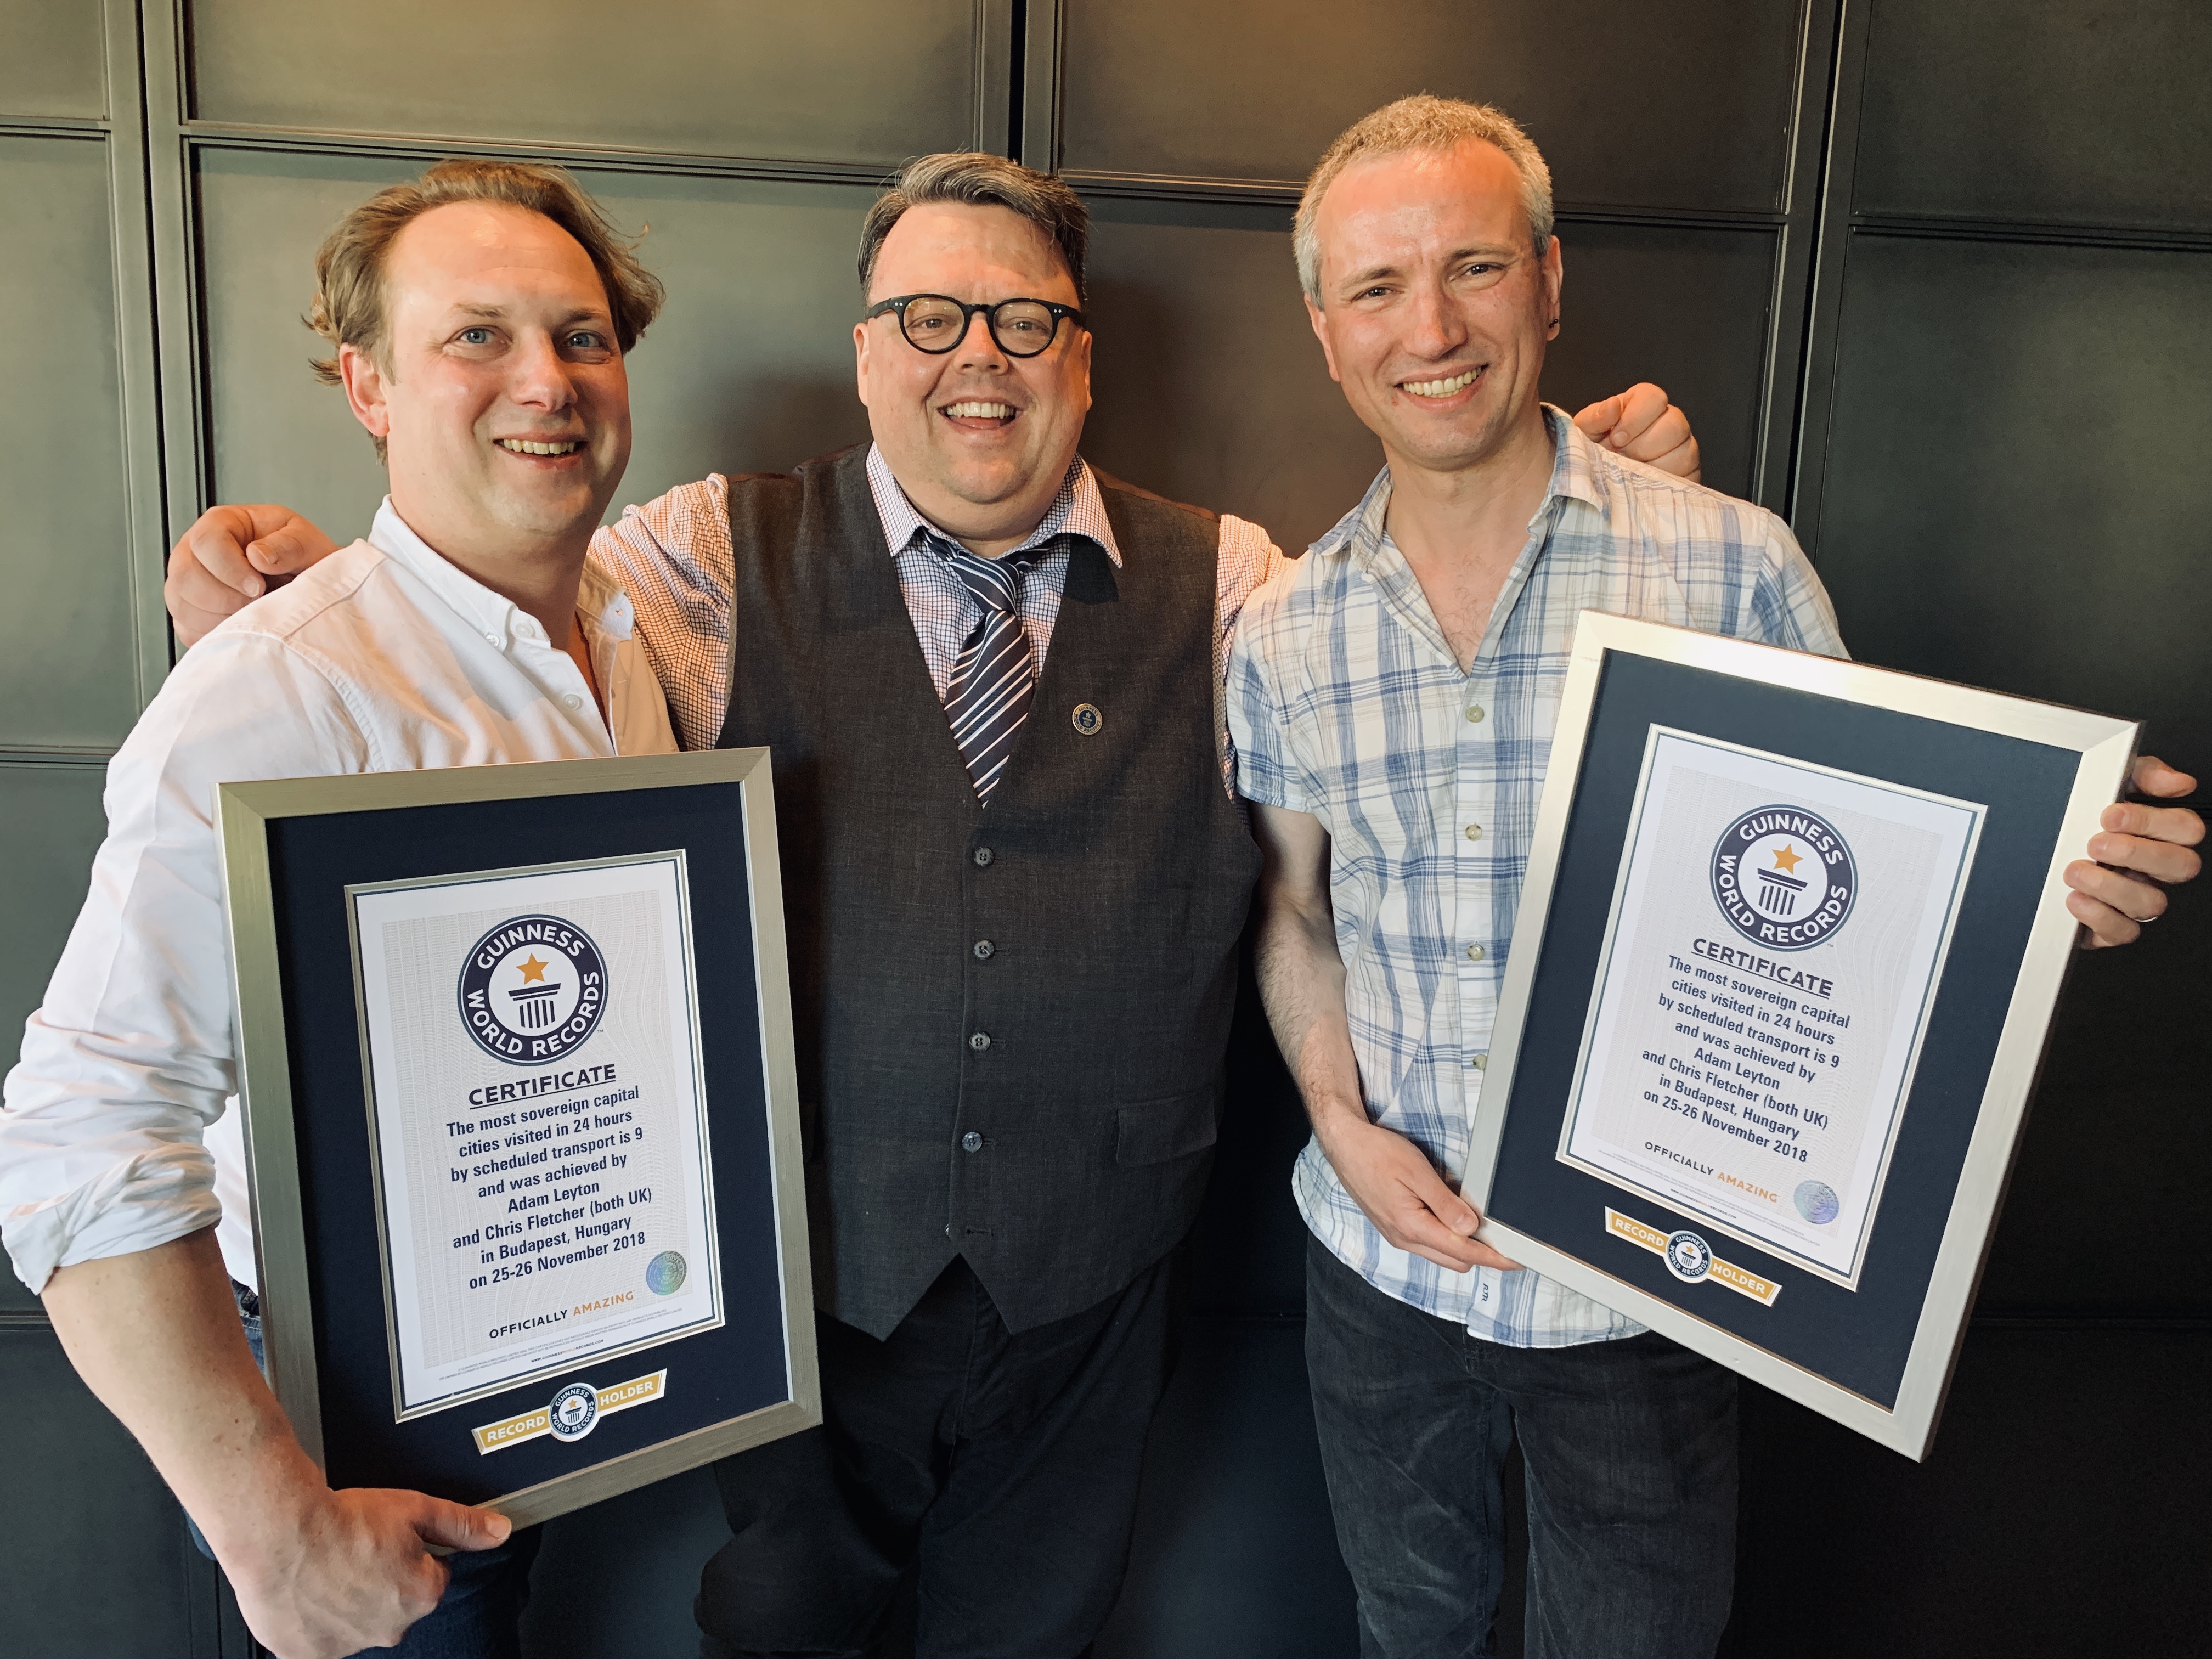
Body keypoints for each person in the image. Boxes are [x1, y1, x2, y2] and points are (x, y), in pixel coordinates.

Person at [156, 153, 1705, 1657]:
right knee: (778, 1628)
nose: (978, 356)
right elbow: (497, 598)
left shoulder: (1239, 583)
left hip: (1095, 1284)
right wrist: (301, 582)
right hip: (803, 1288)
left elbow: (1406, 665)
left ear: (1081, 358)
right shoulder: (703, 555)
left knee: (1032, 1634)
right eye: (928, 319)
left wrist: (1563, 488)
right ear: (865, 355)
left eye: (1024, 318)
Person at [1228, 95, 2204, 1658]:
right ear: (1323, 332)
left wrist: (2052, 882)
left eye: (1475, 267)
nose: (1432, 326)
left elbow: (1856, 895)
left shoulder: (1732, 563)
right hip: (1381, 1282)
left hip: (1647, 1295)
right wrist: (1340, 1127)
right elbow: (1292, 908)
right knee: (1411, 1634)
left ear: (1549, 282)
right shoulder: (1282, 631)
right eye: (1377, 287)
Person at [0, 159, 678, 1659]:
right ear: (367, 386)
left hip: (544, 1334)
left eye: (581, 337)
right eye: (475, 338)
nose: (547, 384)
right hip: (333, 1397)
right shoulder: (276, 690)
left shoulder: (632, 639)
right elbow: (78, 1129)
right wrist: (278, 1528)